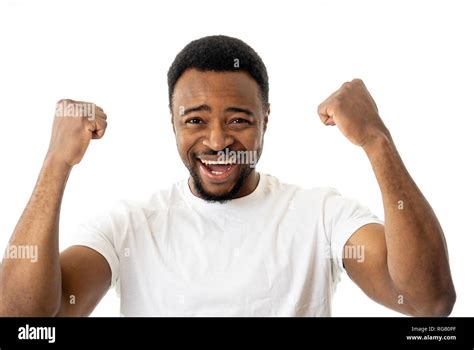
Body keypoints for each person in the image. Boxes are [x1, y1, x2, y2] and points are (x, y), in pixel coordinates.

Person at [0, 35, 455, 317]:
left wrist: (377, 140)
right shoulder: (128, 226)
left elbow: (427, 302)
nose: (217, 141)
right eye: (196, 120)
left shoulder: (322, 216)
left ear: (266, 119)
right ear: (172, 122)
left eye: (239, 120)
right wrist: (55, 163)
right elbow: (25, 318)